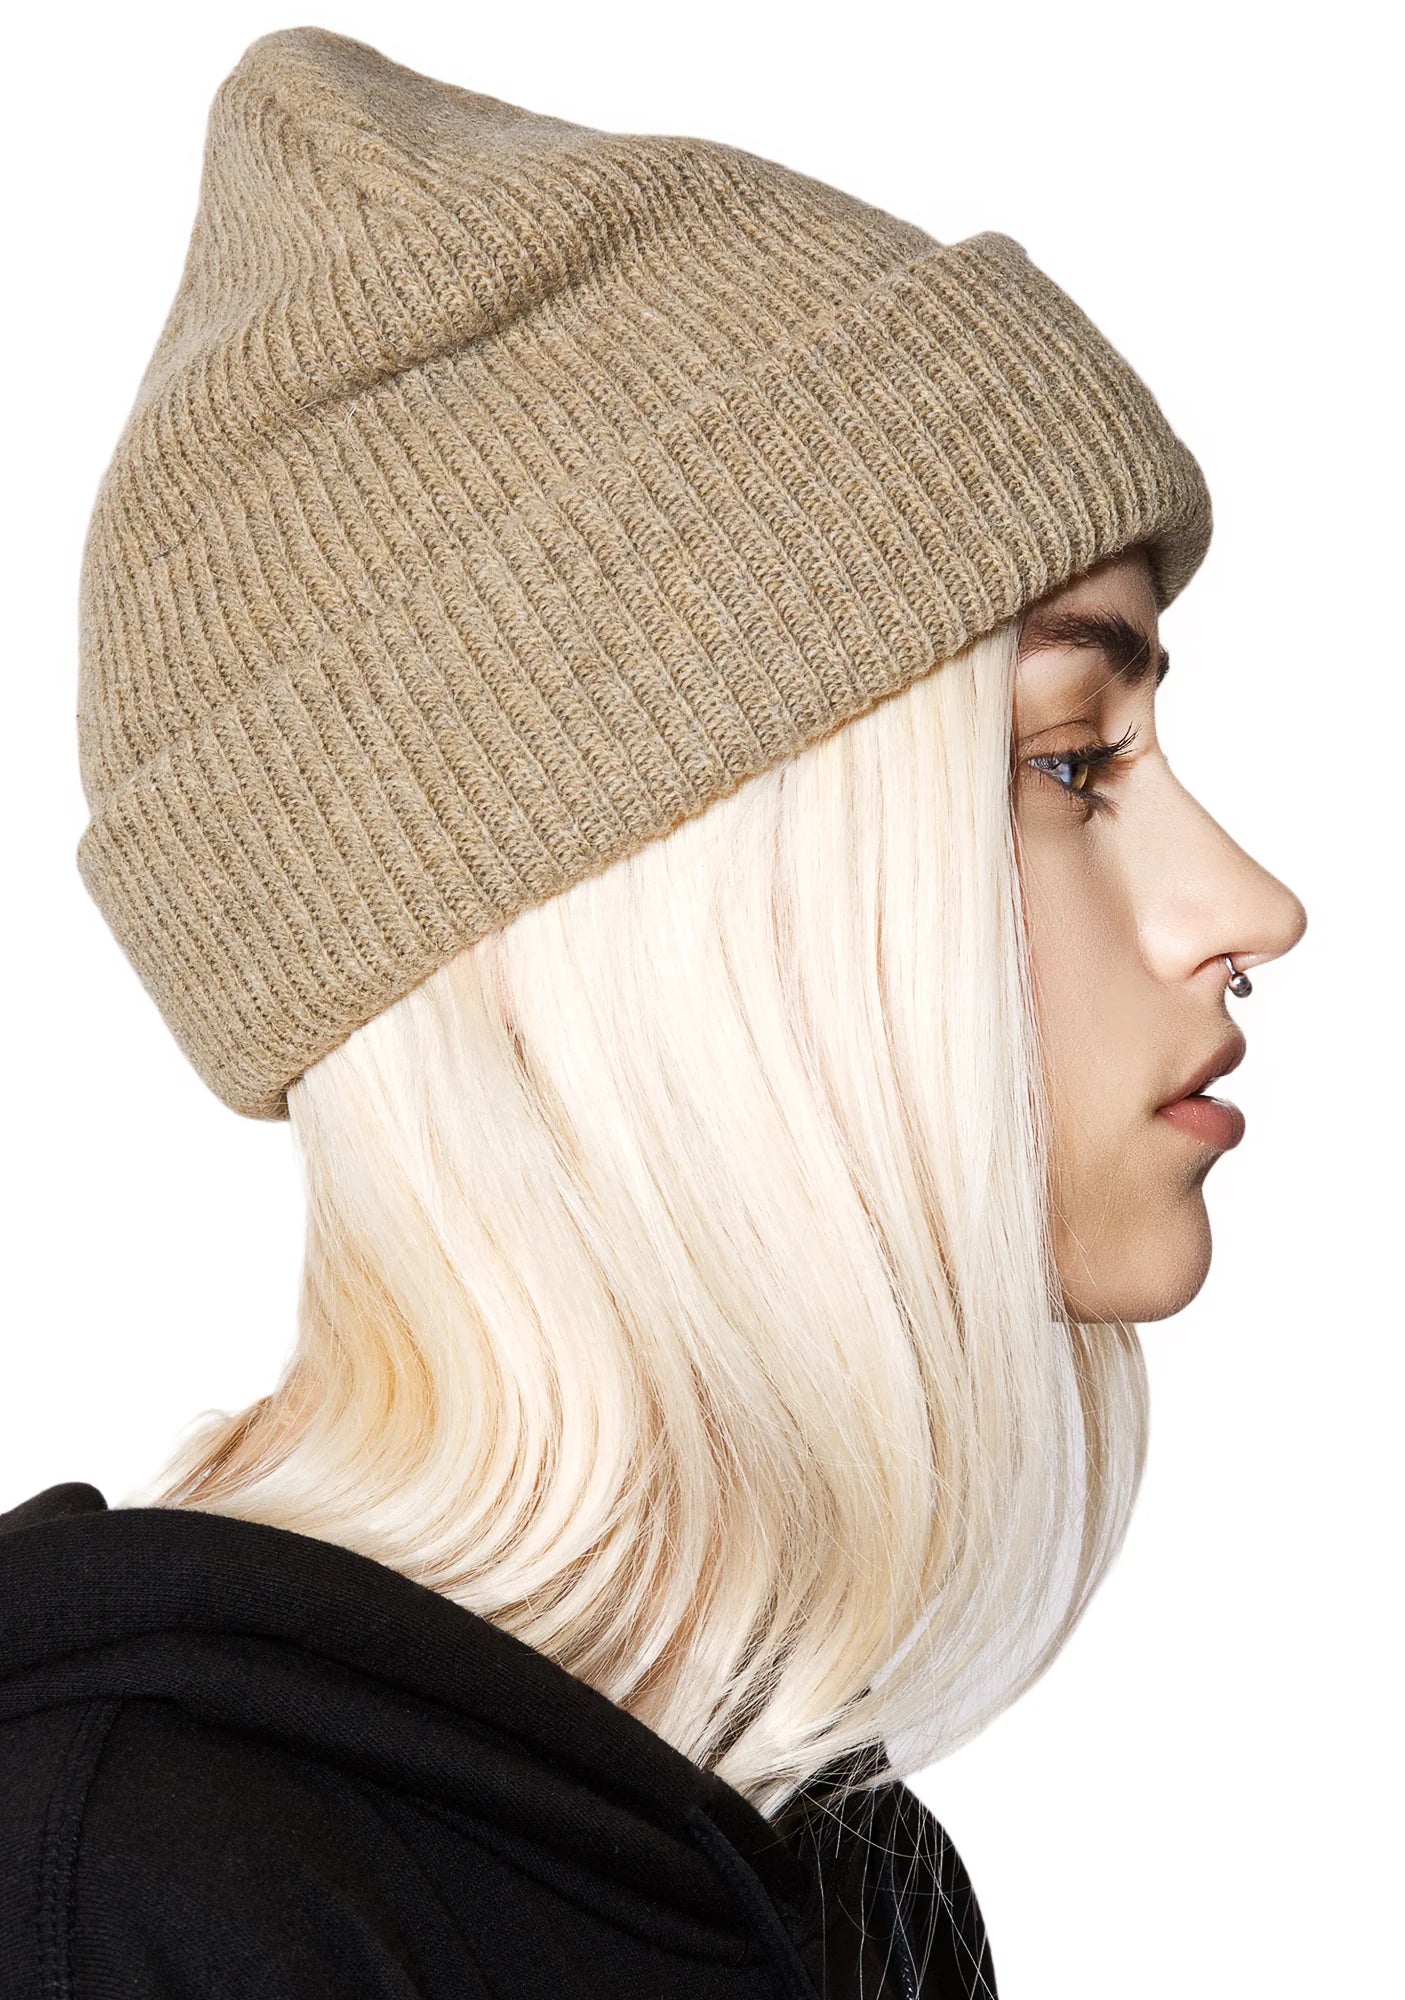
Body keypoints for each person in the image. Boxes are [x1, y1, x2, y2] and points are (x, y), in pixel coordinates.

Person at [0, 25, 1306, 2000]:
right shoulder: (112, 1901)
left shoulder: (849, 1877)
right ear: (636, 912)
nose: (1248, 908)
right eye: (1064, 760)